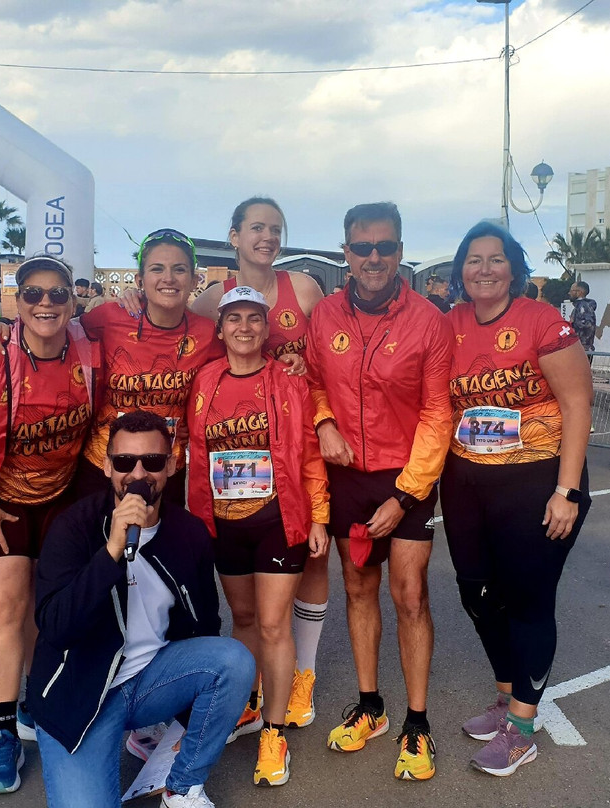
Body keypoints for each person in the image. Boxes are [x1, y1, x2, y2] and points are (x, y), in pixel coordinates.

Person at [29, 409, 255, 808]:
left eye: (151, 461)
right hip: (80, 693)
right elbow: (56, 627)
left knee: (233, 661)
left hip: (151, 678)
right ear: (106, 466)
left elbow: (205, 624)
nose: (137, 474)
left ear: (169, 466)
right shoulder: (73, 527)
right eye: (123, 462)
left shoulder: (189, 533)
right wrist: (111, 551)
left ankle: (182, 786)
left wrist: (190, 718)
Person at [0, 254, 97, 795]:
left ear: (74, 300)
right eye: (33, 294)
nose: (45, 304)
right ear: (17, 302)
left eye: (57, 294)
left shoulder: (88, 350)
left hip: (60, 500)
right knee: (5, 608)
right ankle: (5, 732)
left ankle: (37, 702)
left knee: (45, 608)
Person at [441, 221, 593, 776]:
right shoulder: (450, 323)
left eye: (495, 259)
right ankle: (507, 700)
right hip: (465, 479)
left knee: (528, 600)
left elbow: (578, 403)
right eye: (474, 259)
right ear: (460, 269)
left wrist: (568, 491)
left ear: (514, 268)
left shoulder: (541, 321)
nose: (484, 269)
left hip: (536, 478)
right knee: (477, 593)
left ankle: (523, 727)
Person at [306, 202, 451, 781]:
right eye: (362, 247)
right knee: (358, 588)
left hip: (406, 474)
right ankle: (371, 706)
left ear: (399, 252)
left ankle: (417, 722)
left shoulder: (428, 320)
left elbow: (439, 412)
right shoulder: (324, 317)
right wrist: (323, 423)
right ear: (346, 253)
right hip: (346, 475)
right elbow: (314, 380)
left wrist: (407, 495)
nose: (373, 258)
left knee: (409, 594)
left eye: (384, 247)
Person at [190, 198, 329, 736]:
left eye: (276, 228)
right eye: (257, 228)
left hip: (298, 449)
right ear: (234, 236)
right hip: (232, 481)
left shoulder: (307, 289)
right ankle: (254, 692)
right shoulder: (208, 302)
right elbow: (175, 338)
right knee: (250, 613)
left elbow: (326, 358)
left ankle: (302, 677)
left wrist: (306, 386)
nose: (267, 236)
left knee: (310, 566)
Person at [76, 228, 223, 506]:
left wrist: (293, 362)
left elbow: (235, 372)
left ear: (194, 280)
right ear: (140, 280)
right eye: (157, 269)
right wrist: (2, 330)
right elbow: (57, 333)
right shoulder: (107, 317)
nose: (168, 278)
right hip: (104, 466)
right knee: (99, 548)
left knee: (159, 547)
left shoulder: (206, 333)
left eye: (179, 269)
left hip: (164, 468)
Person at [568, 281, 596, 357]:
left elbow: (587, 326)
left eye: (572, 290)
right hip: (580, 349)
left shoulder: (583, 307)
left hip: (581, 350)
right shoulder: (580, 307)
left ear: (580, 292)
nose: (569, 293)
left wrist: (572, 324)